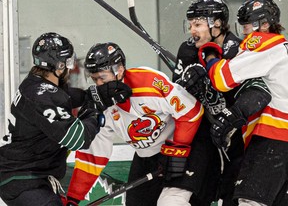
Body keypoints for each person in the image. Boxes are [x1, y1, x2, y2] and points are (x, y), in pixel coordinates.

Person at [65, 42, 204, 206]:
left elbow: (191, 110)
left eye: (102, 78)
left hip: (185, 148)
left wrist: (177, 150)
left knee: (171, 203)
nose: (99, 85)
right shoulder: (102, 106)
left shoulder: (149, 83)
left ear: (120, 70)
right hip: (146, 157)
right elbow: (92, 157)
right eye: (95, 79)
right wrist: (73, 199)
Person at [0, 32, 129, 206]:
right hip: (23, 179)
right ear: (59, 66)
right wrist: (95, 108)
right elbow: (77, 139)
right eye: (68, 62)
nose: (70, 67)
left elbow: (65, 97)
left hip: (24, 176)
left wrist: (92, 94)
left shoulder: (34, 84)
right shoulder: (42, 96)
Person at [170, 0, 271, 206]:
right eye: (190, 25)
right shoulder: (187, 50)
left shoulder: (239, 51)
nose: (192, 31)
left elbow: (255, 94)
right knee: (196, 196)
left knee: (232, 198)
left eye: (197, 24)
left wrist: (229, 116)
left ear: (216, 24)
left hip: (237, 136)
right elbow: (176, 98)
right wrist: (187, 86)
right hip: (205, 135)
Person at [199, 0, 288, 206]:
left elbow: (222, 79)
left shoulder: (266, 43)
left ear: (264, 24)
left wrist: (210, 56)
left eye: (247, 24)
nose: (245, 32)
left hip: (274, 137)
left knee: (251, 202)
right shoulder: (283, 49)